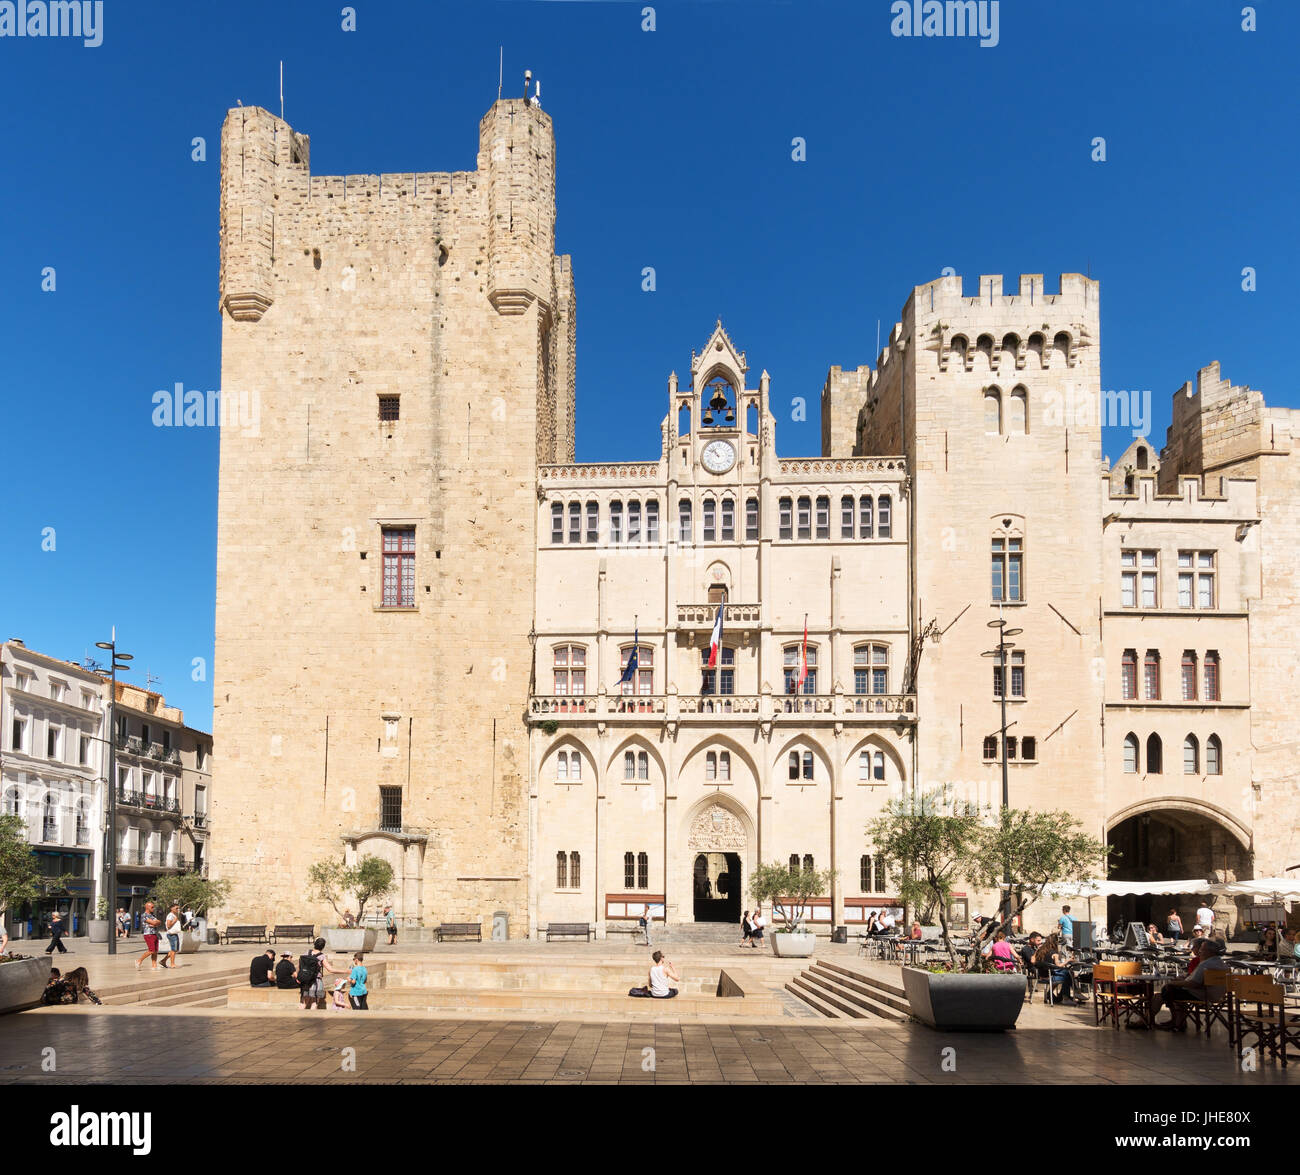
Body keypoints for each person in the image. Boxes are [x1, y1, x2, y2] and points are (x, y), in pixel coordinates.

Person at [1153, 938, 1229, 1031]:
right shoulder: (1221, 963)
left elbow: (1194, 983)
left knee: (1168, 989)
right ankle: (1177, 1021)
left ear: (1209, 951)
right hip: (1218, 995)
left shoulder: (1206, 964)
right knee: (1171, 992)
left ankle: (1176, 1022)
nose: (1200, 952)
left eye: (1202, 949)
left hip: (1203, 995)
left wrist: (1174, 983)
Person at [299, 937, 345, 1011]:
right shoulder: (321, 956)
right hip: (316, 981)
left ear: (314, 944)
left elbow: (300, 966)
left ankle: (299, 1019)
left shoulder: (306, 952)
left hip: (305, 981)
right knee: (314, 1002)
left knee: (303, 1003)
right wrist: (345, 971)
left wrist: (299, 977)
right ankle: (312, 1020)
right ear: (323, 947)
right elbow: (330, 969)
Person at [1033, 933, 1079, 1004]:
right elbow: (1058, 965)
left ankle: (1058, 995)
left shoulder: (1041, 951)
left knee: (1066, 973)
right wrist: (1068, 960)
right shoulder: (1054, 954)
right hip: (1050, 977)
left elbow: (1033, 961)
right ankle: (1067, 996)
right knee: (1068, 974)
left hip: (1041, 976)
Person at [135, 901, 164, 971]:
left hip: (155, 933)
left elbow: (159, 922)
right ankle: (139, 960)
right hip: (148, 934)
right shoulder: (144, 915)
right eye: (152, 907)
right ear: (147, 907)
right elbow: (154, 922)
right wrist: (155, 923)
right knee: (151, 950)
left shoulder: (152, 915)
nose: (153, 908)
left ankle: (154, 966)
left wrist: (155, 923)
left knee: (155, 951)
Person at [163, 903, 182, 970]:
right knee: (174, 950)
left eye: (178, 908)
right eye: (176, 908)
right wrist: (174, 920)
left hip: (174, 934)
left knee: (175, 949)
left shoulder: (173, 915)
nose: (178, 909)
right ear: (172, 908)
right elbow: (168, 925)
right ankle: (172, 964)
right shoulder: (170, 916)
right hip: (172, 934)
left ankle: (163, 961)